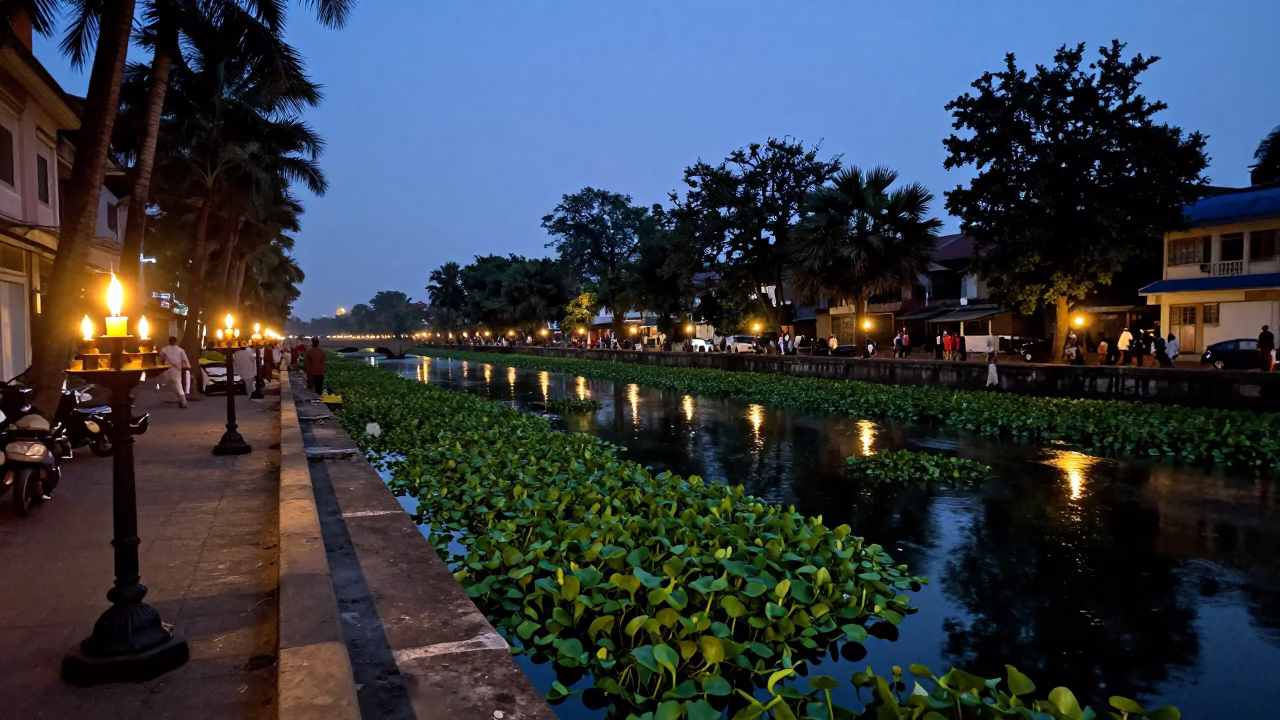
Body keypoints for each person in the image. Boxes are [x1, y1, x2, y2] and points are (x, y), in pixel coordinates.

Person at [158, 335, 190, 408]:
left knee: (172, 385)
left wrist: (158, 349)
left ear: (169, 341)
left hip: (168, 370)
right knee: (178, 385)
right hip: (177, 370)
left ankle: (181, 400)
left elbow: (160, 354)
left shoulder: (166, 349)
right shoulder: (180, 350)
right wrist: (187, 366)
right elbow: (185, 359)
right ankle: (182, 400)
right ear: (176, 341)